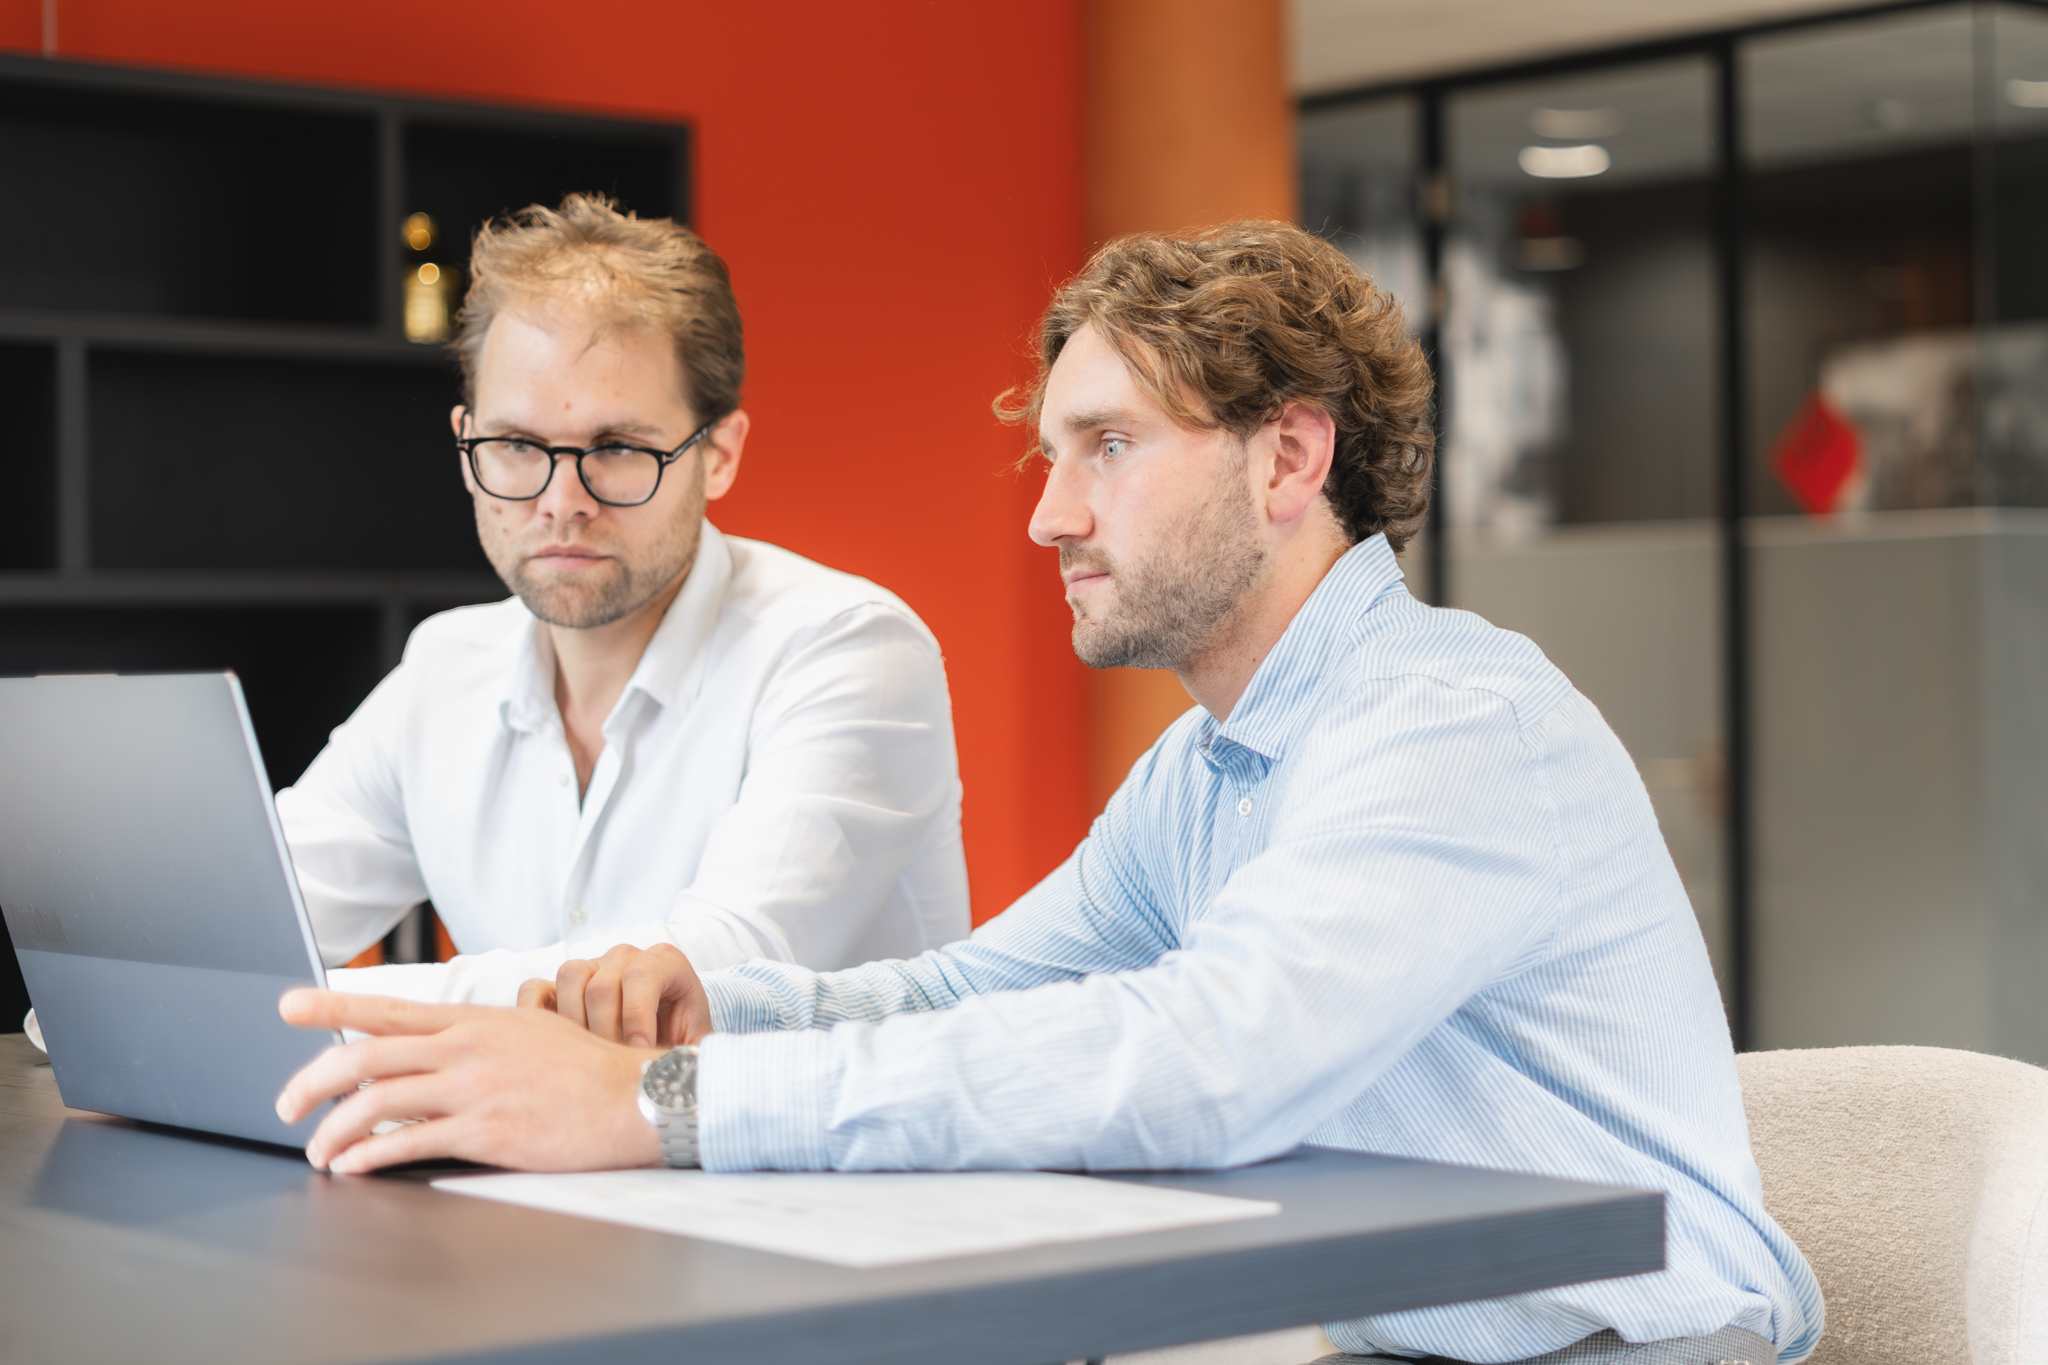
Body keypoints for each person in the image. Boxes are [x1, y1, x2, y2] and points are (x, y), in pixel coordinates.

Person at [276, 221, 1822, 1365]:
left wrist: (658, 1106)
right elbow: (964, 990)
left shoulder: (1448, 723)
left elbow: (1205, 1059)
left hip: (1641, 1347)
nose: (1049, 513)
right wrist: (707, 1013)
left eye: (1106, 449)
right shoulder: (1203, 773)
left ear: (1289, 459)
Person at [275, 193, 969, 1003]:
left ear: (719, 454)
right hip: (536, 1131)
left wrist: (331, 1007)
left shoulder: (849, 649)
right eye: (516, 445)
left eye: (616, 448)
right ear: (468, 448)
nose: (562, 498)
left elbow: (693, 980)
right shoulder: (445, 667)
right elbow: (245, 920)